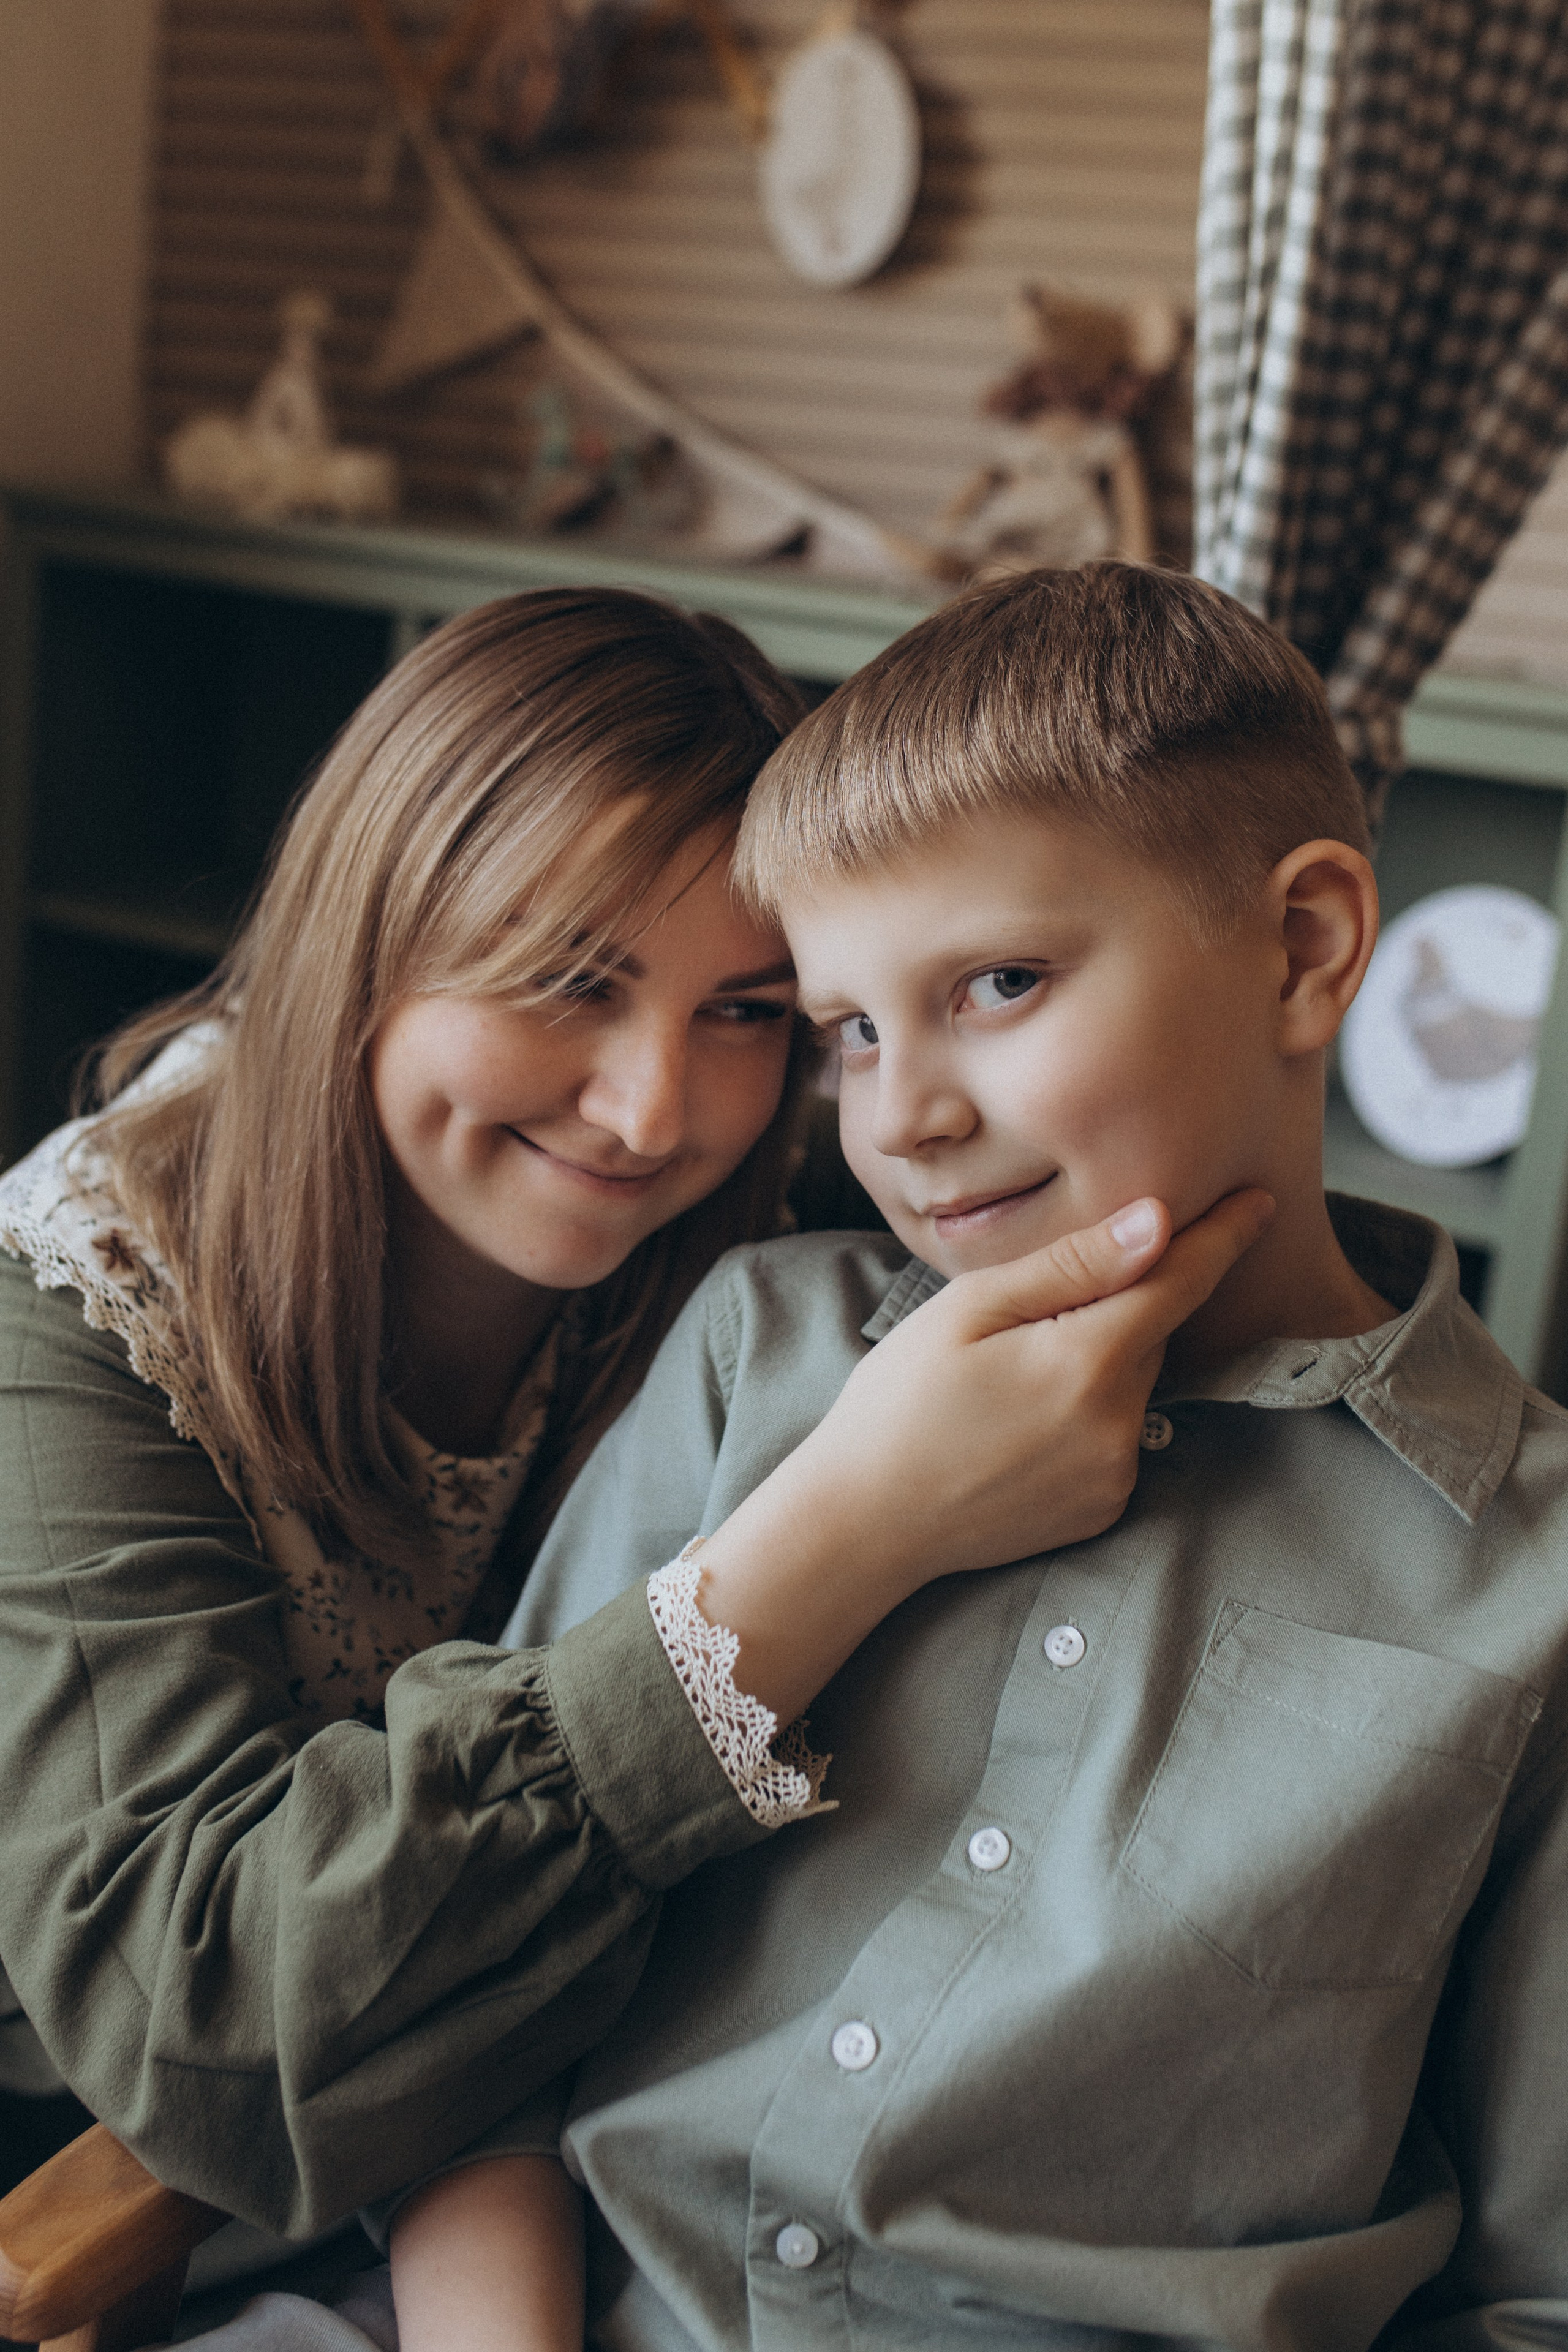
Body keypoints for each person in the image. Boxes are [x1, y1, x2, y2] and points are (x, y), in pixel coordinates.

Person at [369, 564, 1568, 2352]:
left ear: (1307, 950)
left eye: (999, 983)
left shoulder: (1536, 1580)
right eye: (849, 1031)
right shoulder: (752, 1358)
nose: (904, 1118)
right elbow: (475, 2001)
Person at [0, 584, 1259, 2257]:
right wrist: (850, 1528)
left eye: (748, 1011)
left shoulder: (766, 1216)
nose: (652, 1110)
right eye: (566, 981)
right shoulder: (76, 1313)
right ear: (363, 943)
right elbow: (189, 2029)